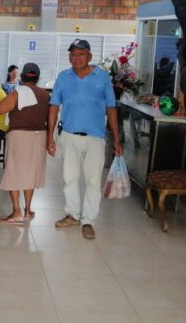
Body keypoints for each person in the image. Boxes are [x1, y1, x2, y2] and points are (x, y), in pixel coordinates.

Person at [47, 39, 122, 240]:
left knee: (93, 181)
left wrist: (117, 139)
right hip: (69, 135)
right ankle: (72, 215)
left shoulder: (102, 77)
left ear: (89, 56)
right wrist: (50, 137)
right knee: (69, 179)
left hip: (95, 137)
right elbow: (53, 107)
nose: (76, 58)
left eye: (81, 54)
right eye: (73, 54)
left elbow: (111, 108)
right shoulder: (63, 77)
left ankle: (88, 221)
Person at [0, 63, 50, 224]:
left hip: (19, 136)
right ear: (38, 78)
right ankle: (28, 210)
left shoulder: (18, 93)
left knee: (14, 172)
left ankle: (17, 211)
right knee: (31, 173)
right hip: (40, 136)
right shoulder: (45, 95)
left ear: (22, 76)